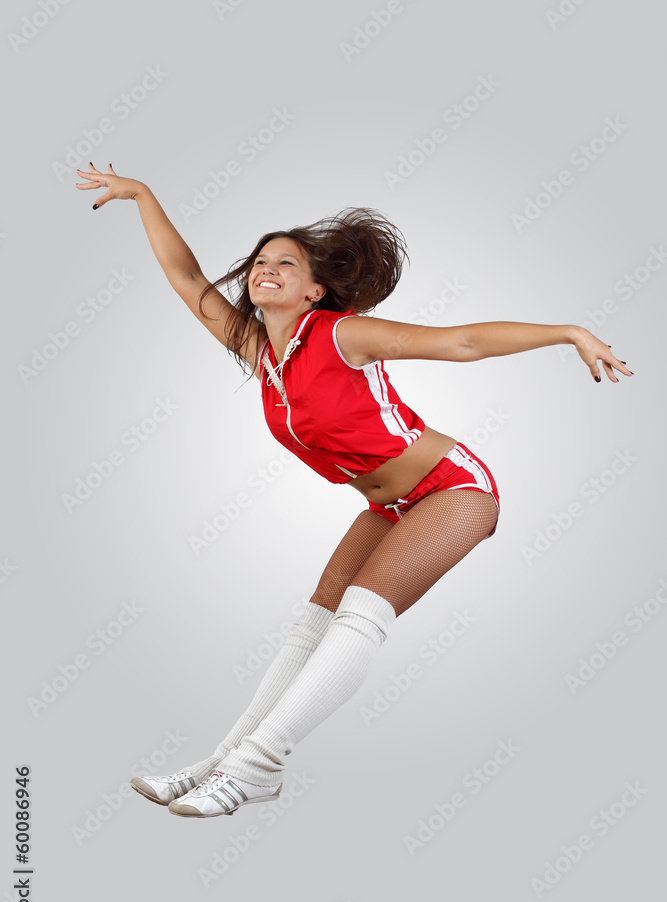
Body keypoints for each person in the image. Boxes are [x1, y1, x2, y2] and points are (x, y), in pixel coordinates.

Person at [76, 162, 633, 820]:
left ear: (314, 291)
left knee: (360, 615)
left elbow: (459, 342)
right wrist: (142, 194)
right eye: (260, 261)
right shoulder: (261, 351)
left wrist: (567, 332)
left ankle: (257, 767)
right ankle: (222, 761)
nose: (265, 269)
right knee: (310, 623)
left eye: (285, 263)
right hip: (389, 502)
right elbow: (187, 277)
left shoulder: (341, 335)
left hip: (452, 488)